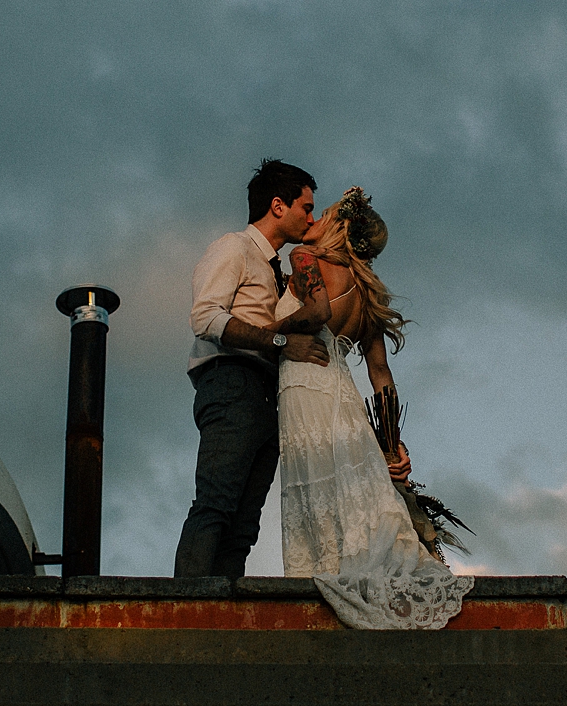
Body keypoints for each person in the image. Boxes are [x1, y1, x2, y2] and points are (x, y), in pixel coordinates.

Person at [272, 187, 473, 629]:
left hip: (305, 382)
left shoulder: (305, 259)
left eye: (322, 214)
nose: (313, 222)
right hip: (341, 390)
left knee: (318, 482)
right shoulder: (365, 289)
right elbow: (381, 374)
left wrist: (266, 332)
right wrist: (392, 445)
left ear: (339, 227)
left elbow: (315, 310)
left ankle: (323, 575)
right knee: (351, 485)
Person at [175, 159, 329, 578]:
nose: (311, 217)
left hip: (265, 393)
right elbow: (206, 317)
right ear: (278, 206)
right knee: (215, 505)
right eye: (306, 207)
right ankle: (185, 614)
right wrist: (280, 342)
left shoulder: (276, 267)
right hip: (231, 382)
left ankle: (222, 624)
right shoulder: (234, 248)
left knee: (244, 526)